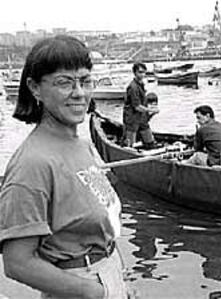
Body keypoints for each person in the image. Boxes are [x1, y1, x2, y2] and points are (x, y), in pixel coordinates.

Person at [0, 35, 129, 299]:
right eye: (64, 83)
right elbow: (17, 263)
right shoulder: (32, 165)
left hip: (107, 271)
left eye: (85, 81)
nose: (79, 93)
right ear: (35, 88)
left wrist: (116, 280)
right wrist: (93, 292)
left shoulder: (81, 145)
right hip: (78, 285)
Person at [122, 61, 159, 148]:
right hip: (132, 118)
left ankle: (149, 146)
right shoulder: (133, 87)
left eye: (144, 72)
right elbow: (137, 106)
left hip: (142, 117)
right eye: (140, 72)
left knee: (150, 141)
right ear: (135, 73)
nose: (142, 75)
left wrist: (150, 111)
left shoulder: (141, 84)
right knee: (129, 146)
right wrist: (151, 110)